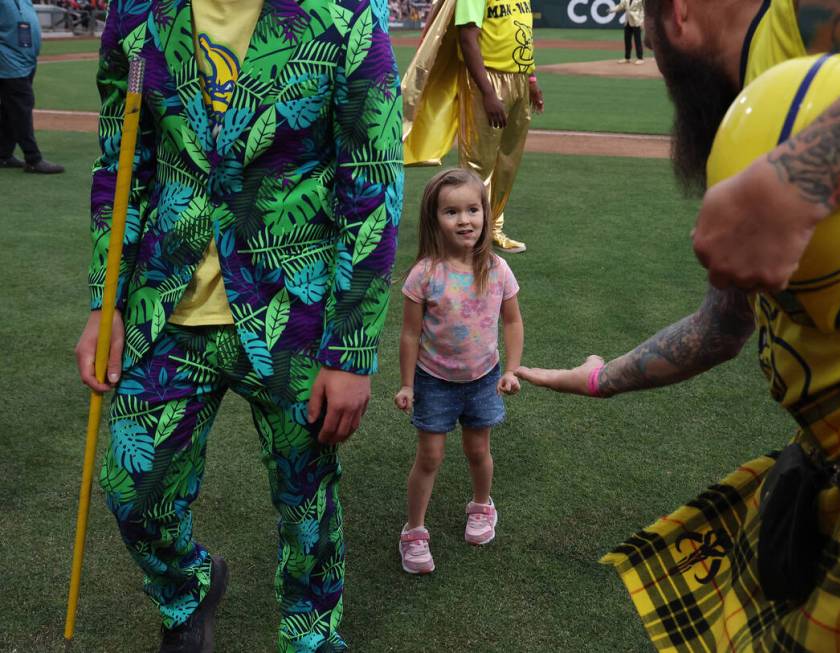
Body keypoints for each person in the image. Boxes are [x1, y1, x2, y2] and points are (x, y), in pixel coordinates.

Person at [515, 0, 840, 649]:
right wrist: (600, 377)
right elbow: (722, 325)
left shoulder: (803, 14)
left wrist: (805, 176)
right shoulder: (747, 114)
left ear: (681, 16)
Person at [73, 0, 402, 648]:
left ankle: (309, 635)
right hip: (164, 308)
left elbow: (372, 186)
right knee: (132, 490)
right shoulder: (136, 15)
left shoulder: (344, 15)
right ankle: (186, 591)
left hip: (294, 312)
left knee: (307, 505)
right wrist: (102, 303)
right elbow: (121, 163)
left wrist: (352, 350)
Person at [393, 168, 523, 574]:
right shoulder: (424, 274)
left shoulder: (497, 269)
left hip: (484, 378)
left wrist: (512, 369)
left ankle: (482, 505)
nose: (464, 220)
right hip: (434, 382)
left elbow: (513, 322)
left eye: (472, 209)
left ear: (485, 214)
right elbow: (410, 335)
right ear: (434, 219)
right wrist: (407, 384)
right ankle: (413, 531)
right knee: (429, 456)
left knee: (477, 449)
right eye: (451, 212)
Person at [401, 0, 545, 255]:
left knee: (508, 160)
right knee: (478, 162)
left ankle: (493, 228)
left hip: (519, 78)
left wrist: (531, 79)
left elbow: (523, 38)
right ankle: (469, 232)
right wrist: (487, 92)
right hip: (487, 78)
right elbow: (467, 38)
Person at [0, 0, 64, 173]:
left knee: (9, 109)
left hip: (25, 59)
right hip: (9, 62)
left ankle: (4, 154)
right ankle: (33, 159)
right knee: (22, 107)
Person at [607, 0, 645, 64]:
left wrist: (642, 21)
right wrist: (611, 10)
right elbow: (620, 6)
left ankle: (640, 58)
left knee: (637, 40)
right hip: (627, 21)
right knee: (627, 40)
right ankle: (627, 58)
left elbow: (642, 10)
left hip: (637, 21)